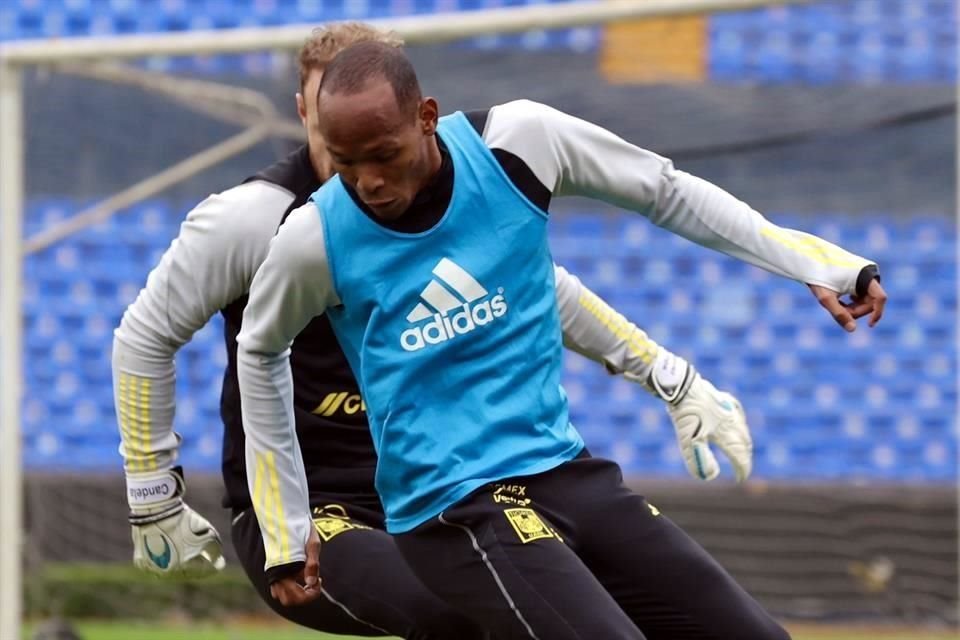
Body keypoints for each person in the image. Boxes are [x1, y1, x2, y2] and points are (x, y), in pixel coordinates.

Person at [112, 23, 752, 639]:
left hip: (456, 495)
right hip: (321, 515)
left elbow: (548, 292)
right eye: (328, 118)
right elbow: (144, 337)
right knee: (465, 616)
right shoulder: (256, 221)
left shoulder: (449, 194)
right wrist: (152, 494)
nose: (356, 154)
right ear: (306, 111)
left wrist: (671, 377)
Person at [236, 41, 887, 639]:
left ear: (427, 116)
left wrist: (815, 262)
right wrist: (283, 523)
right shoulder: (315, 237)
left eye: (383, 155)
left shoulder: (520, 143)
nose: (368, 183)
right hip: (453, 509)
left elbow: (665, 192)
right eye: (346, 164)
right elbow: (260, 350)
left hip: (562, 471)